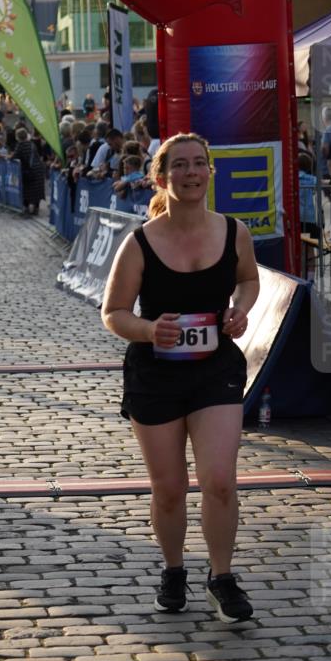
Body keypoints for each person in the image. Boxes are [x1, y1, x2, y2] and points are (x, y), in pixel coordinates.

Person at [101, 133, 260, 623]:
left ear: (210, 172)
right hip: (156, 374)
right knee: (169, 488)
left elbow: (250, 279)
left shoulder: (234, 232)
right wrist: (151, 330)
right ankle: (173, 570)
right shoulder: (140, 242)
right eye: (180, 166)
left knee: (219, 481)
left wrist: (241, 309)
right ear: (161, 177)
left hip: (216, 370)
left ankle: (222, 577)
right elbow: (113, 313)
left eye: (199, 164)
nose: (191, 173)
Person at [11, 126, 46, 216]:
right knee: (37, 190)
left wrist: (5, 157)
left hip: (29, 171)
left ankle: (27, 209)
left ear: (17, 137)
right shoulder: (31, 144)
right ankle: (36, 208)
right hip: (38, 169)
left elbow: (13, 157)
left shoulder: (20, 145)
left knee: (27, 189)